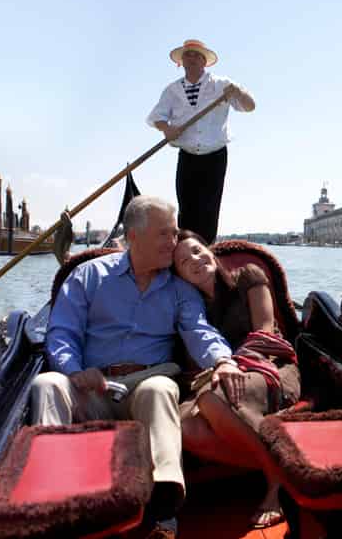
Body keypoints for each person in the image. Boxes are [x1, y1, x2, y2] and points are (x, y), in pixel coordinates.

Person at [30, 196, 247, 539]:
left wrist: (223, 360)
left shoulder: (179, 290)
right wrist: (73, 370)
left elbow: (199, 331)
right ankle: (49, 499)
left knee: (160, 388)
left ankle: (164, 508)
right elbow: (61, 332)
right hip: (92, 389)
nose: (173, 243)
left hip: (144, 390)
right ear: (133, 236)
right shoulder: (89, 276)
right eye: (164, 234)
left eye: (174, 233)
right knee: (47, 385)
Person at [173, 230, 300, 528]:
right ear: (179, 275)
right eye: (182, 261)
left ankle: (276, 483)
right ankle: (285, 467)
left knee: (209, 398)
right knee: (182, 425)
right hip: (225, 374)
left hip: (270, 365)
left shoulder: (248, 276)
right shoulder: (191, 308)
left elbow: (265, 330)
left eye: (196, 250)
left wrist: (232, 366)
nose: (193, 260)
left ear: (209, 250)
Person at [147, 39, 255, 244]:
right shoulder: (172, 90)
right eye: (188, 54)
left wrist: (239, 92)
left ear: (205, 61)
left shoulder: (223, 85)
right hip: (187, 156)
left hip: (215, 155)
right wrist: (166, 129)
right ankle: (185, 251)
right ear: (181, 62)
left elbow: (250, 106)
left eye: (198, 55)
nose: (193, 58)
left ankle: (206, 251)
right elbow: (156, 118)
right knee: (186, 208)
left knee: (209, 209)